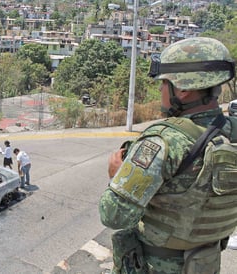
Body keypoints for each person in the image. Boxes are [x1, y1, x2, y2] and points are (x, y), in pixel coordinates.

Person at [99, 37, 237, 273]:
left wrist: (116, 176)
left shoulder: (163, 141)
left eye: (163, 83)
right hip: (206, 264)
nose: (161, 90)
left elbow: (113, 216)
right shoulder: (232, 132)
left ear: (182, 89)